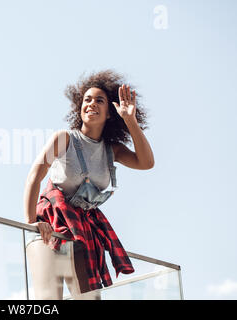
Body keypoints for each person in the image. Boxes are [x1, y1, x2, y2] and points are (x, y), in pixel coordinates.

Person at [23, 70, 154, 300]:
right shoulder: (64, 139)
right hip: (50, 226)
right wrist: (32, 223)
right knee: (48, 300)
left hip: (83, 232)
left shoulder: (111, 149)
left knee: (89, 298)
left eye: (99, 100)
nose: (91, 104)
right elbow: (35, 175)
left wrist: (130, 120)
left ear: (110, 112)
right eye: (87, 99)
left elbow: (146, 163)